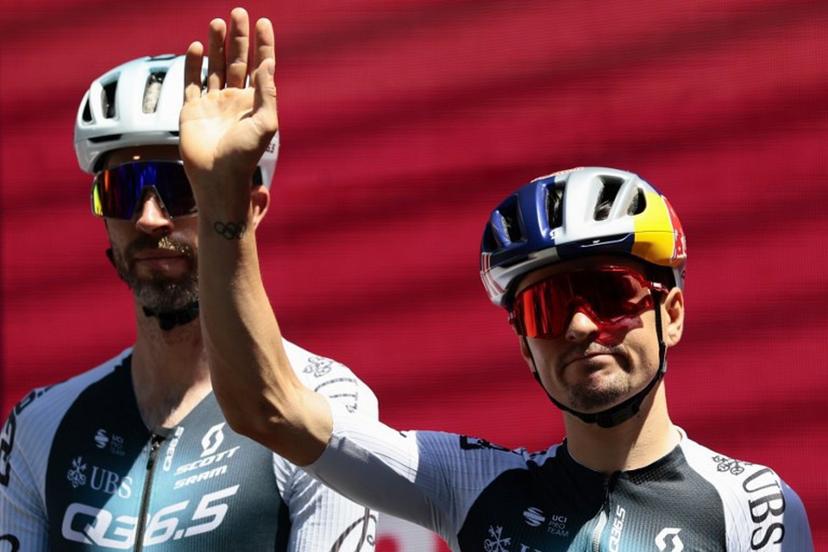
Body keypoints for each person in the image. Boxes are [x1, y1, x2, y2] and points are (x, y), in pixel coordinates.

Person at [177, 9, 814, 552]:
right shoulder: (475, 486)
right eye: (547, 308)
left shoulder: (753, 505)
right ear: (523, 349)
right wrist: (222, 210)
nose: (581, 325)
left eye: (610, 294)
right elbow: (270, 407)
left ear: (669, 312)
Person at [0, 9, 379, 551]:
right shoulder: (38, 426)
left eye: (181, 186)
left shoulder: (327, 401)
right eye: (124, 188)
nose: (150, 218)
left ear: (252, 206)